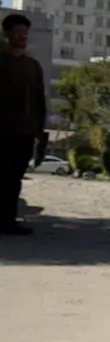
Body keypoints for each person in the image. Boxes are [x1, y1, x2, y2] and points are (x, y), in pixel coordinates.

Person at [0, 12, 48, 236]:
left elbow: (39, 100)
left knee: (14, 178)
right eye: (18, 32)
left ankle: (8, 221)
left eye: (25, 32)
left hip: (24, 131)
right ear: (8, 34)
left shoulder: (33, 67)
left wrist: (40, 131)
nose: (22, 36)